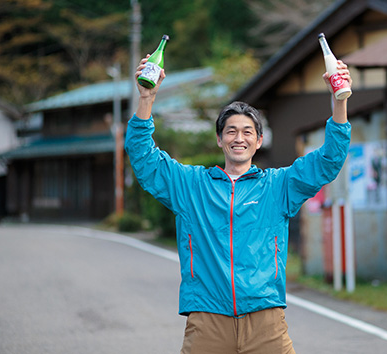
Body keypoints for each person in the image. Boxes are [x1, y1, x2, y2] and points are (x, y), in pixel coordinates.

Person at [125, 54, 352, 354]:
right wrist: (146, 99)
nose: (239, 138)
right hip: (207, 319)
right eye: (231, 131)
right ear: (219, 140)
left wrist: (339, 102)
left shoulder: (278, 186)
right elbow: (143, 157)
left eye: (247, 132)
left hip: (265, 319)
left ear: (259, 141)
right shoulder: (191, 186)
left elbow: (329, 160)